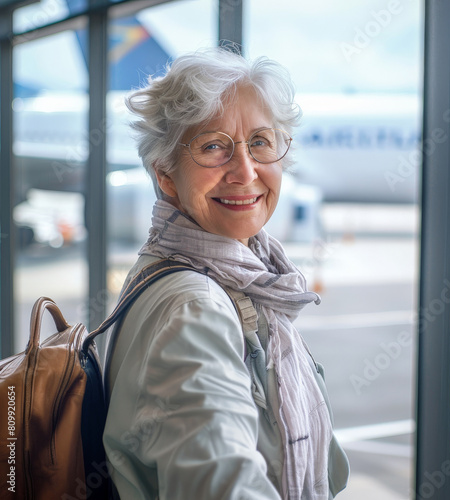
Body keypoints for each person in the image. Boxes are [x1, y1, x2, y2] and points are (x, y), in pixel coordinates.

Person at [103, 47, 349, 500]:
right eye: (213, 146)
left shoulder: (232, 276)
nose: (245, 171)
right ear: (167, 176)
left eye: (260, 141)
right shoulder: (195, 306)